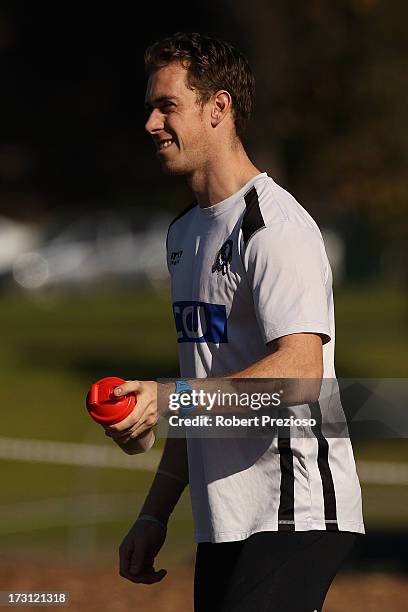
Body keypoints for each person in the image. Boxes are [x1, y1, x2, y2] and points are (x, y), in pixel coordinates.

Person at [104, 32, 364, 612]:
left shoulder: (276, 226)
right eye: (150, 107)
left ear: (218, 108)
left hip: (295, 513)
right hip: (224, 520)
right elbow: (206, 390)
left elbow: (300, 375)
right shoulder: (184, 234)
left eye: (166, 105)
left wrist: (167, 400)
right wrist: (154, 512)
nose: (150, 123)